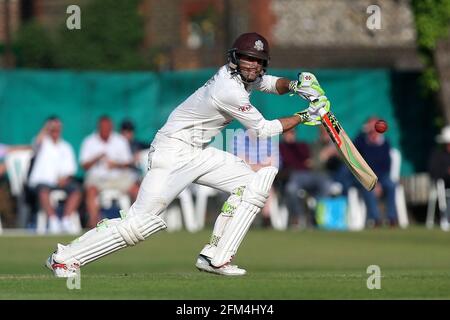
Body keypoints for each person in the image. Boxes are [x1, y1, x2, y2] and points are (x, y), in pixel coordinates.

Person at [46, 32, 331, 278]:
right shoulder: (228, 89)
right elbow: (265, 130)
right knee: (140, 224)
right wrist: (307, 114)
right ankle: (65, 258)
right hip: (171, 153)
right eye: (247, 58)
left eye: (257, 61)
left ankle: (216, 257)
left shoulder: (243, 77)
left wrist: (296, 87)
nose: (252, 65)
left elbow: (269, 84)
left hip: (197, 152)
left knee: (255, 181)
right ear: (235, 58)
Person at [79, 116, 140, 228]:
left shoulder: (120, 140)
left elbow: (128, 163)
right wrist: (97, 158)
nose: (106, 130)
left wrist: (115, 165)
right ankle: (95, 223)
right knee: (90, 190)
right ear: (99, 128)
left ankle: (138, 221)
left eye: (108, 128)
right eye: (103, 128)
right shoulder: (89, 141)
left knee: (136, 189)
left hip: (118, 177)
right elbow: (84, 165)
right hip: (98, 178)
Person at [27, 117, 82, 234]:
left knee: (76, 190)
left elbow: (70, 170)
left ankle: (66, 219)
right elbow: (35, 144)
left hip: (62, 182)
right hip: (43, 182)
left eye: (58, 128)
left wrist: (64, 179)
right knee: (43, 191)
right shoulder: (43, 143)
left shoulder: (66, 146)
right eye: (53, 128)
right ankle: (53, 220)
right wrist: (47, 127)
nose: (55, 131)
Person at [279, 128, 333, 228]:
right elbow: (285, 165)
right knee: (291, 188)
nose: (290, 135)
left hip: (310, 174)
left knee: (327, 184)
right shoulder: (280, 147)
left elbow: (310, 162)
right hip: (293, 175)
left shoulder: (302, 145)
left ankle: (315, 210)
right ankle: (297, 217)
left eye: (292, 132)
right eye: (288, 133)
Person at [354, 117, 397, 227]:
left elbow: (386, 165)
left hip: (382, 176)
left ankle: (391, 218)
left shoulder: (385, 143)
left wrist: (379, 183)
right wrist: (374, 183)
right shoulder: (361, 141)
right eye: (371, 126)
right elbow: (354, 153)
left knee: (391, 186)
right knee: (369, 186)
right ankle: (375, 219)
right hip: (367, 176)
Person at [428, 125, 450, 221]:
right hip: (442, 183)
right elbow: (433, 172)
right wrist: (447, 172)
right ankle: (445, 218)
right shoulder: (437, 155)